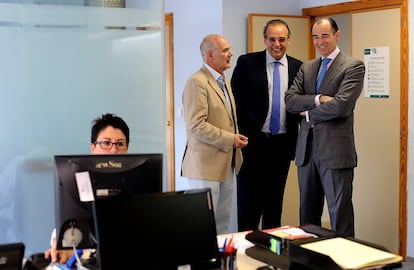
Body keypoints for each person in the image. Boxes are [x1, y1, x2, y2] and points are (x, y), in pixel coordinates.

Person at [285, 17, 366, 237]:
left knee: (339, 214)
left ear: (337, 35)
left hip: (335, 153)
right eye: (315, 36)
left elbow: (341, 107)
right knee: (307, 217)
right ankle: (308, 261)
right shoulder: (307, 67)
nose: (320, 41)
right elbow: (291, 101)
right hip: (307, 152)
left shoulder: (353, 66)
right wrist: (320, 99)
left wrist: (309, 111)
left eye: (325, 35)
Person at [230, 19, 302, 231]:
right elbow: (234, 103)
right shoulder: (247, 63)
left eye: (281, 39)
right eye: (272, 39)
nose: (276, 44)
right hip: (252, 145)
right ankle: (245, 255)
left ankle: (271, 256)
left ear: (289, 40)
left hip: (282, 146)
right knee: (248, 207)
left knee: (274, 208)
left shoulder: (300, 67)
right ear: (265, 40)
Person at [180, 34, 248, 234]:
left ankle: (220, 263)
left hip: (227, 162)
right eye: (225, 50)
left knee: (221, 222)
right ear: (210, 55)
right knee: (202, 223)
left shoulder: (223, 80)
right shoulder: (196, 82)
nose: (231, 54)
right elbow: (196, 125)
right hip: (205, 165)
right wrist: (231, 139)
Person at [44, 113, 130, 263]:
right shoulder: (78, 176)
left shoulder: (136, 178)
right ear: (93, 147)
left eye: (120, 144)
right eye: (106, 143)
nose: (113, 150)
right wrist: (59, 242)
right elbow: (68, 218)